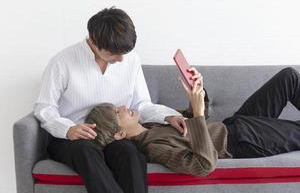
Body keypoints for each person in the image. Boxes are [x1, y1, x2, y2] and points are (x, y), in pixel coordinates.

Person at [33, 7, 195, 193]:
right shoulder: (62, 62)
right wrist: (68, 129)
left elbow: (141, 104)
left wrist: (167, 117)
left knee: (130, 153)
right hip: (72, 138)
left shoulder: (131, 61)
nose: (120, 59)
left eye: (123, 53)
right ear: (93, 41)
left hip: (113, 136)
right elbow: (45, 107)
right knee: (86, 151)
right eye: (113, 53)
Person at [85, 66, 300, 176]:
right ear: (120, 134)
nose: (123, 107)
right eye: (117, 113)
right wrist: (197, 115)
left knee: (288, 77)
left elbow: (193, 122)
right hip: (243, 141)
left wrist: (196, 95)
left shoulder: (152, 124)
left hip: (234, 123)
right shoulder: (153, 147)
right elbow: (203, 165)